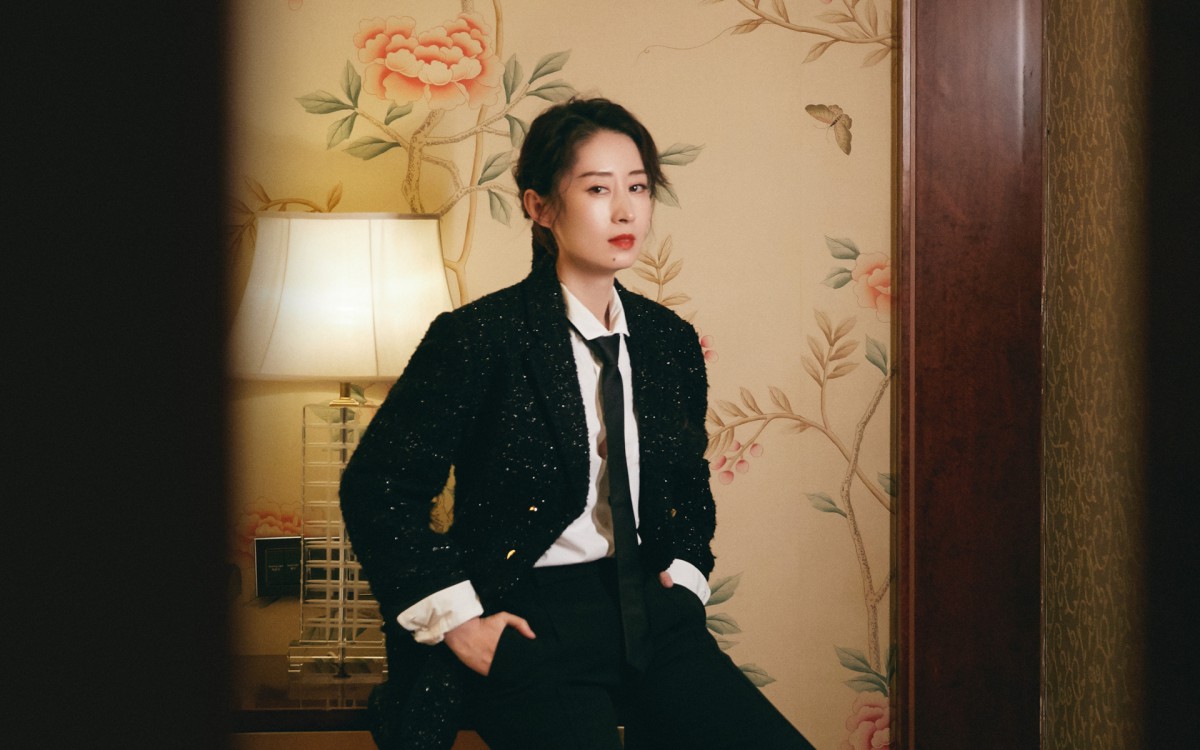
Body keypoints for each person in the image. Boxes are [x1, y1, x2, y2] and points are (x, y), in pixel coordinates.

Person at [340, 96, 814, 750]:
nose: (625, 211)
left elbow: (685, 479)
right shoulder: (480, 337)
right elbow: (378, 486)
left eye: (638, 188)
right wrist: (457, 622)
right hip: (529, 620)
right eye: (597, 189)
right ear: (540, 207)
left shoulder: (667, 341)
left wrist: (687, 576)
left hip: (654, 613)